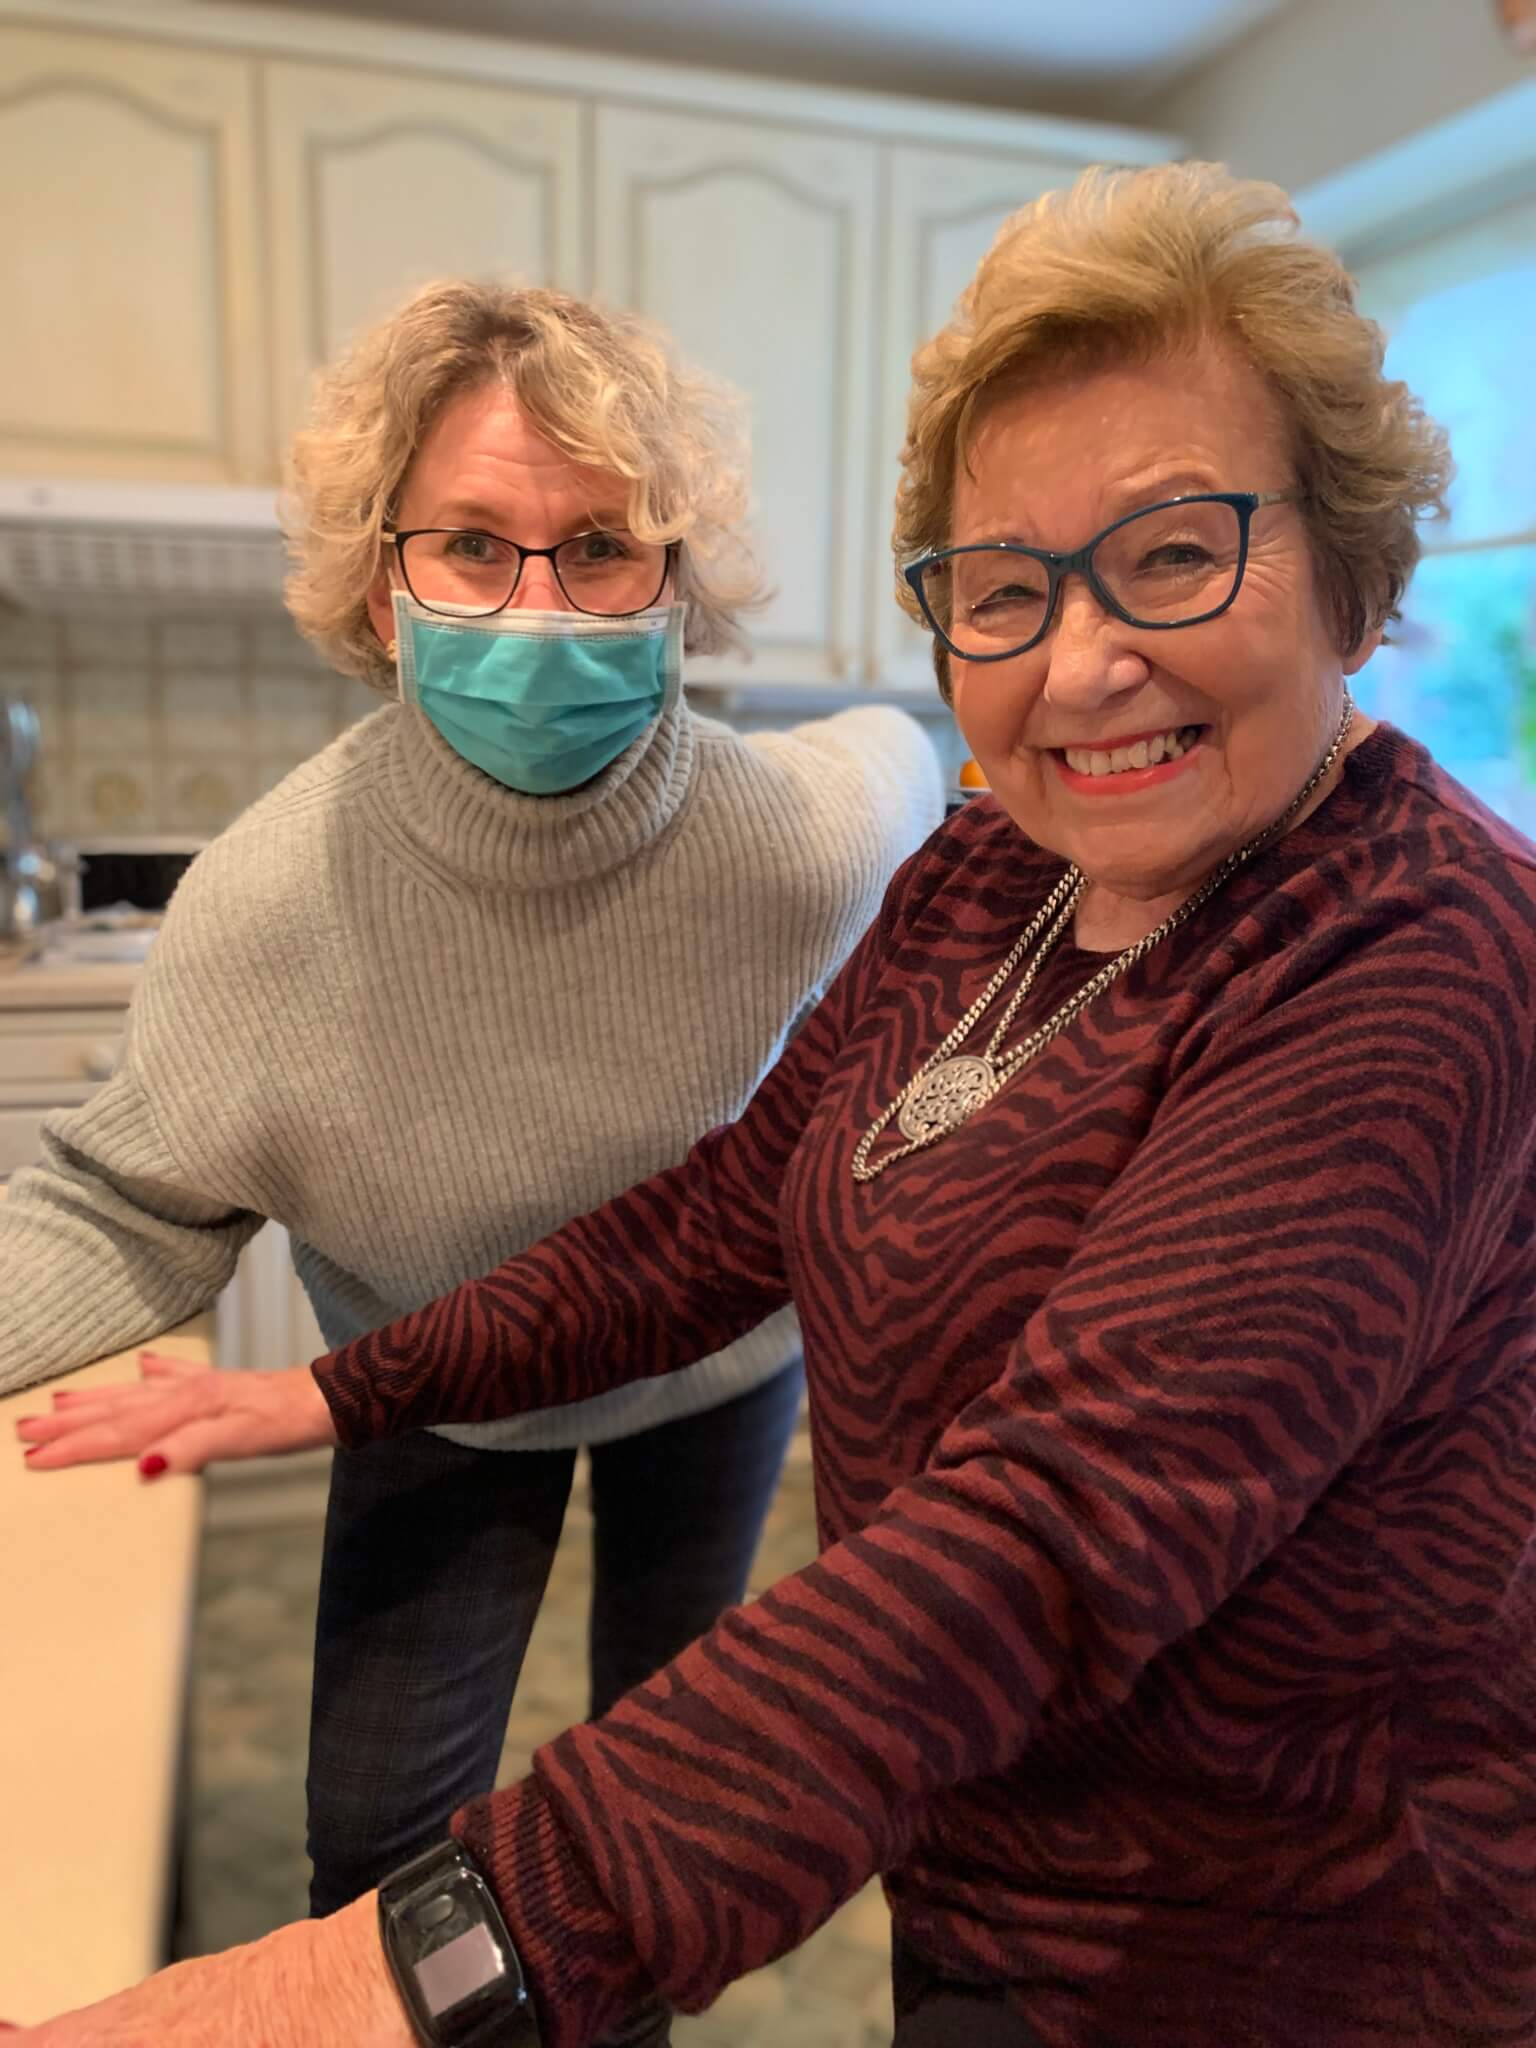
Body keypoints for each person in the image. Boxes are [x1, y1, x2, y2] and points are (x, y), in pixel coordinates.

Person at [17, 158, 1536, 2048]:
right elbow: (733, 1206)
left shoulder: (1419, 957)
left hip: (1283, 1948)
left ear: (1357, 563)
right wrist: (339, 1385)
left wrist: (366, 1985)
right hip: (990, 1877)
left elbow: (1034, 1549)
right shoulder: (994, 881)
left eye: (1170, 551)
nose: (1077, 663)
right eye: (1003, 585)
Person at [0, 281, 941, 2040]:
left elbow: (895, 756)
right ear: (382, 582)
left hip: (710, 1367)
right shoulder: (269, 902)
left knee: (658, 1825)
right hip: (427, 1377)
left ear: (674, 589)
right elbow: (125, 1197)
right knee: (373, 1833)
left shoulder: (785, 845)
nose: (541, 605)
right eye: (475, 545)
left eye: (601, 548)